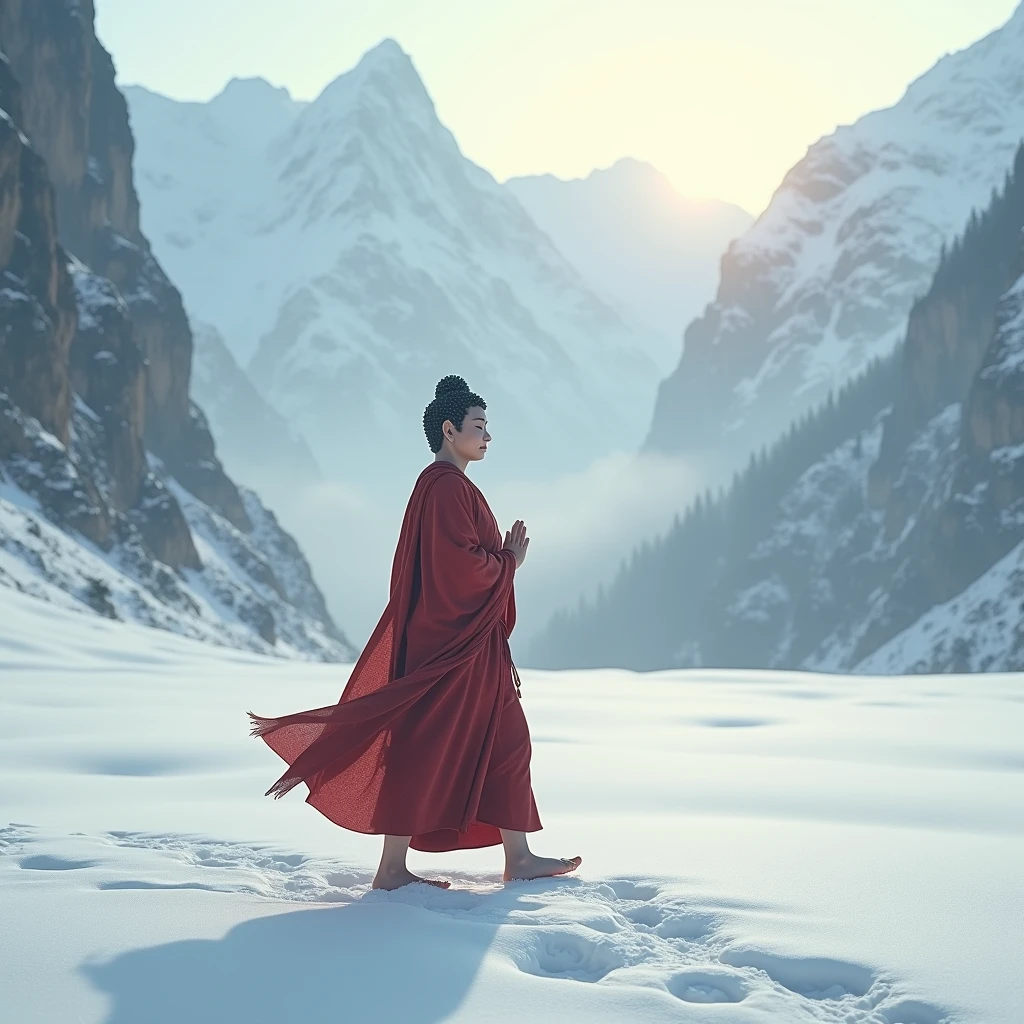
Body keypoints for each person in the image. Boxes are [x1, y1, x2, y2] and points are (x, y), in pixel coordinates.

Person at [247, 375, 582, 891]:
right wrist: (509, 562)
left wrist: (502, 564)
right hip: (453, 648)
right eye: (479, 426)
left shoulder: (446, 486)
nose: (488, 436)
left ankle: (516, 855)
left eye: (488, 426)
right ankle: (393, 869)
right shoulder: (446, 487)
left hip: (466, 646)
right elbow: (458, 569)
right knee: (424, 747)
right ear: (450, 430)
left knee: (503, 741)